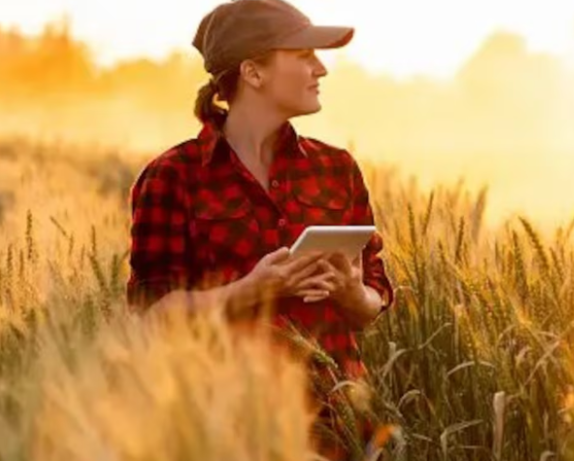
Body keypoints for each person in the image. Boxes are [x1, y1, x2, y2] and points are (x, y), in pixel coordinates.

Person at [125, 0, 395, 458]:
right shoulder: (173, 176)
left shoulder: (337, 168)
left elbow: (374, 298)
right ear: (253, 72)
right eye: (304, 55)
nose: (321, 69)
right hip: (228, 430)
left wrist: (352, 293)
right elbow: (151, 316)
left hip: (341, 428)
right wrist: (251, 290)